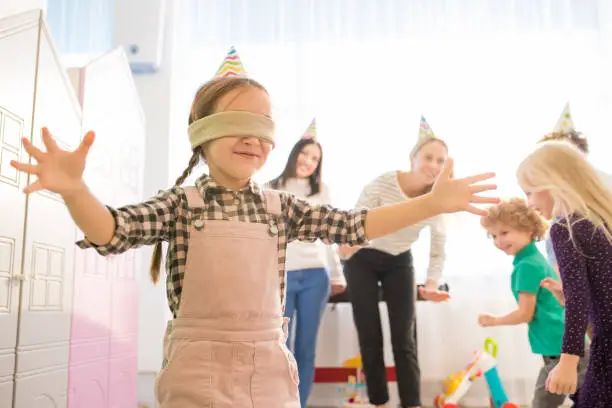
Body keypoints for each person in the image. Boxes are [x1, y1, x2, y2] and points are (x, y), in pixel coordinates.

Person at [10, 76, 498, 408]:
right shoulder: (180, 204)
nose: (253, 138)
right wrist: (75, 190)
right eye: (236, 124)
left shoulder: (280, 207)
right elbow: (112, 231)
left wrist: (431, 204)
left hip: (266, 363)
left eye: (263, 128)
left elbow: (354, 226)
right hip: (196, 367)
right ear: (201, 134)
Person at [339, 117, 451, 408]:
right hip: (361, 259)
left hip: (399, 261)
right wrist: (344, 252)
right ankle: (379, 402)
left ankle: (411, 403)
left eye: (441, 161)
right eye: (428, 157)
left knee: (404, 340)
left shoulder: (437, 200)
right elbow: (357, 222)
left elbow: (438, 247)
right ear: (412, 158)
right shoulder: (382, 183)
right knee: (370, 334)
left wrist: (431, 284)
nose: (434, 166)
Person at [516, 140, 612, 407]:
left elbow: (580, 302)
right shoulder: (602, 220)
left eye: (530, 192)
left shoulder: (564, 229)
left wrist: (568, 363)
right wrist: (568, 294)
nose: (529, 203)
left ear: (554, 184)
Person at [478, 198, 588, 408]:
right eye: (493, 235)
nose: (498, 241)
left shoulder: (527, 266)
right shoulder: (533, 259)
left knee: (543, 403)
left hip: (560, 347)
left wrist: (494, 320)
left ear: (528, 229)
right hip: (564, 343)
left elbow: (525, 314)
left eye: (504, 232)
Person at [266, 122, 346, 407]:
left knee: (306, 347)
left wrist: (337, 274)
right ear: (293, 154)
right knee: (279, 346)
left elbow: (330, 235)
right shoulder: (270, 189)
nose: (308, 162)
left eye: (315, 159)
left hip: (316, 277)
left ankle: (299, 403)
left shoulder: (322, 191)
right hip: (281, 276)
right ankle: (279, 401)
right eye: (304, 154)